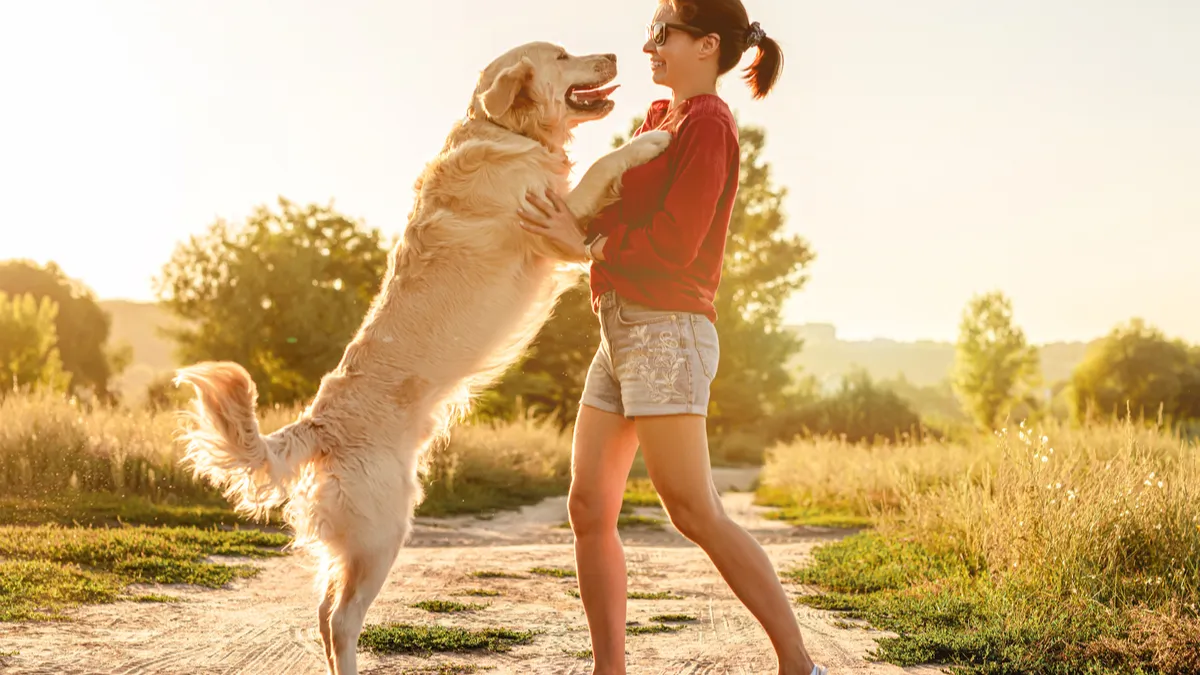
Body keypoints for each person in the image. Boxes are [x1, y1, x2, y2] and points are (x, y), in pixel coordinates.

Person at [517, 1, 827, 674]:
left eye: (664, 35)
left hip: (667, 328)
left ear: (707, 45)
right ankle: (611, 669)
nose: (650, 46)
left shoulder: (708, 124)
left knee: (692, 506)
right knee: (588, 502)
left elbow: (677, 246)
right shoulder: (660, 120)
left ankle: (800, 663)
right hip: (620, 326)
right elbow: (609, 208)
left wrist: (586, 243)